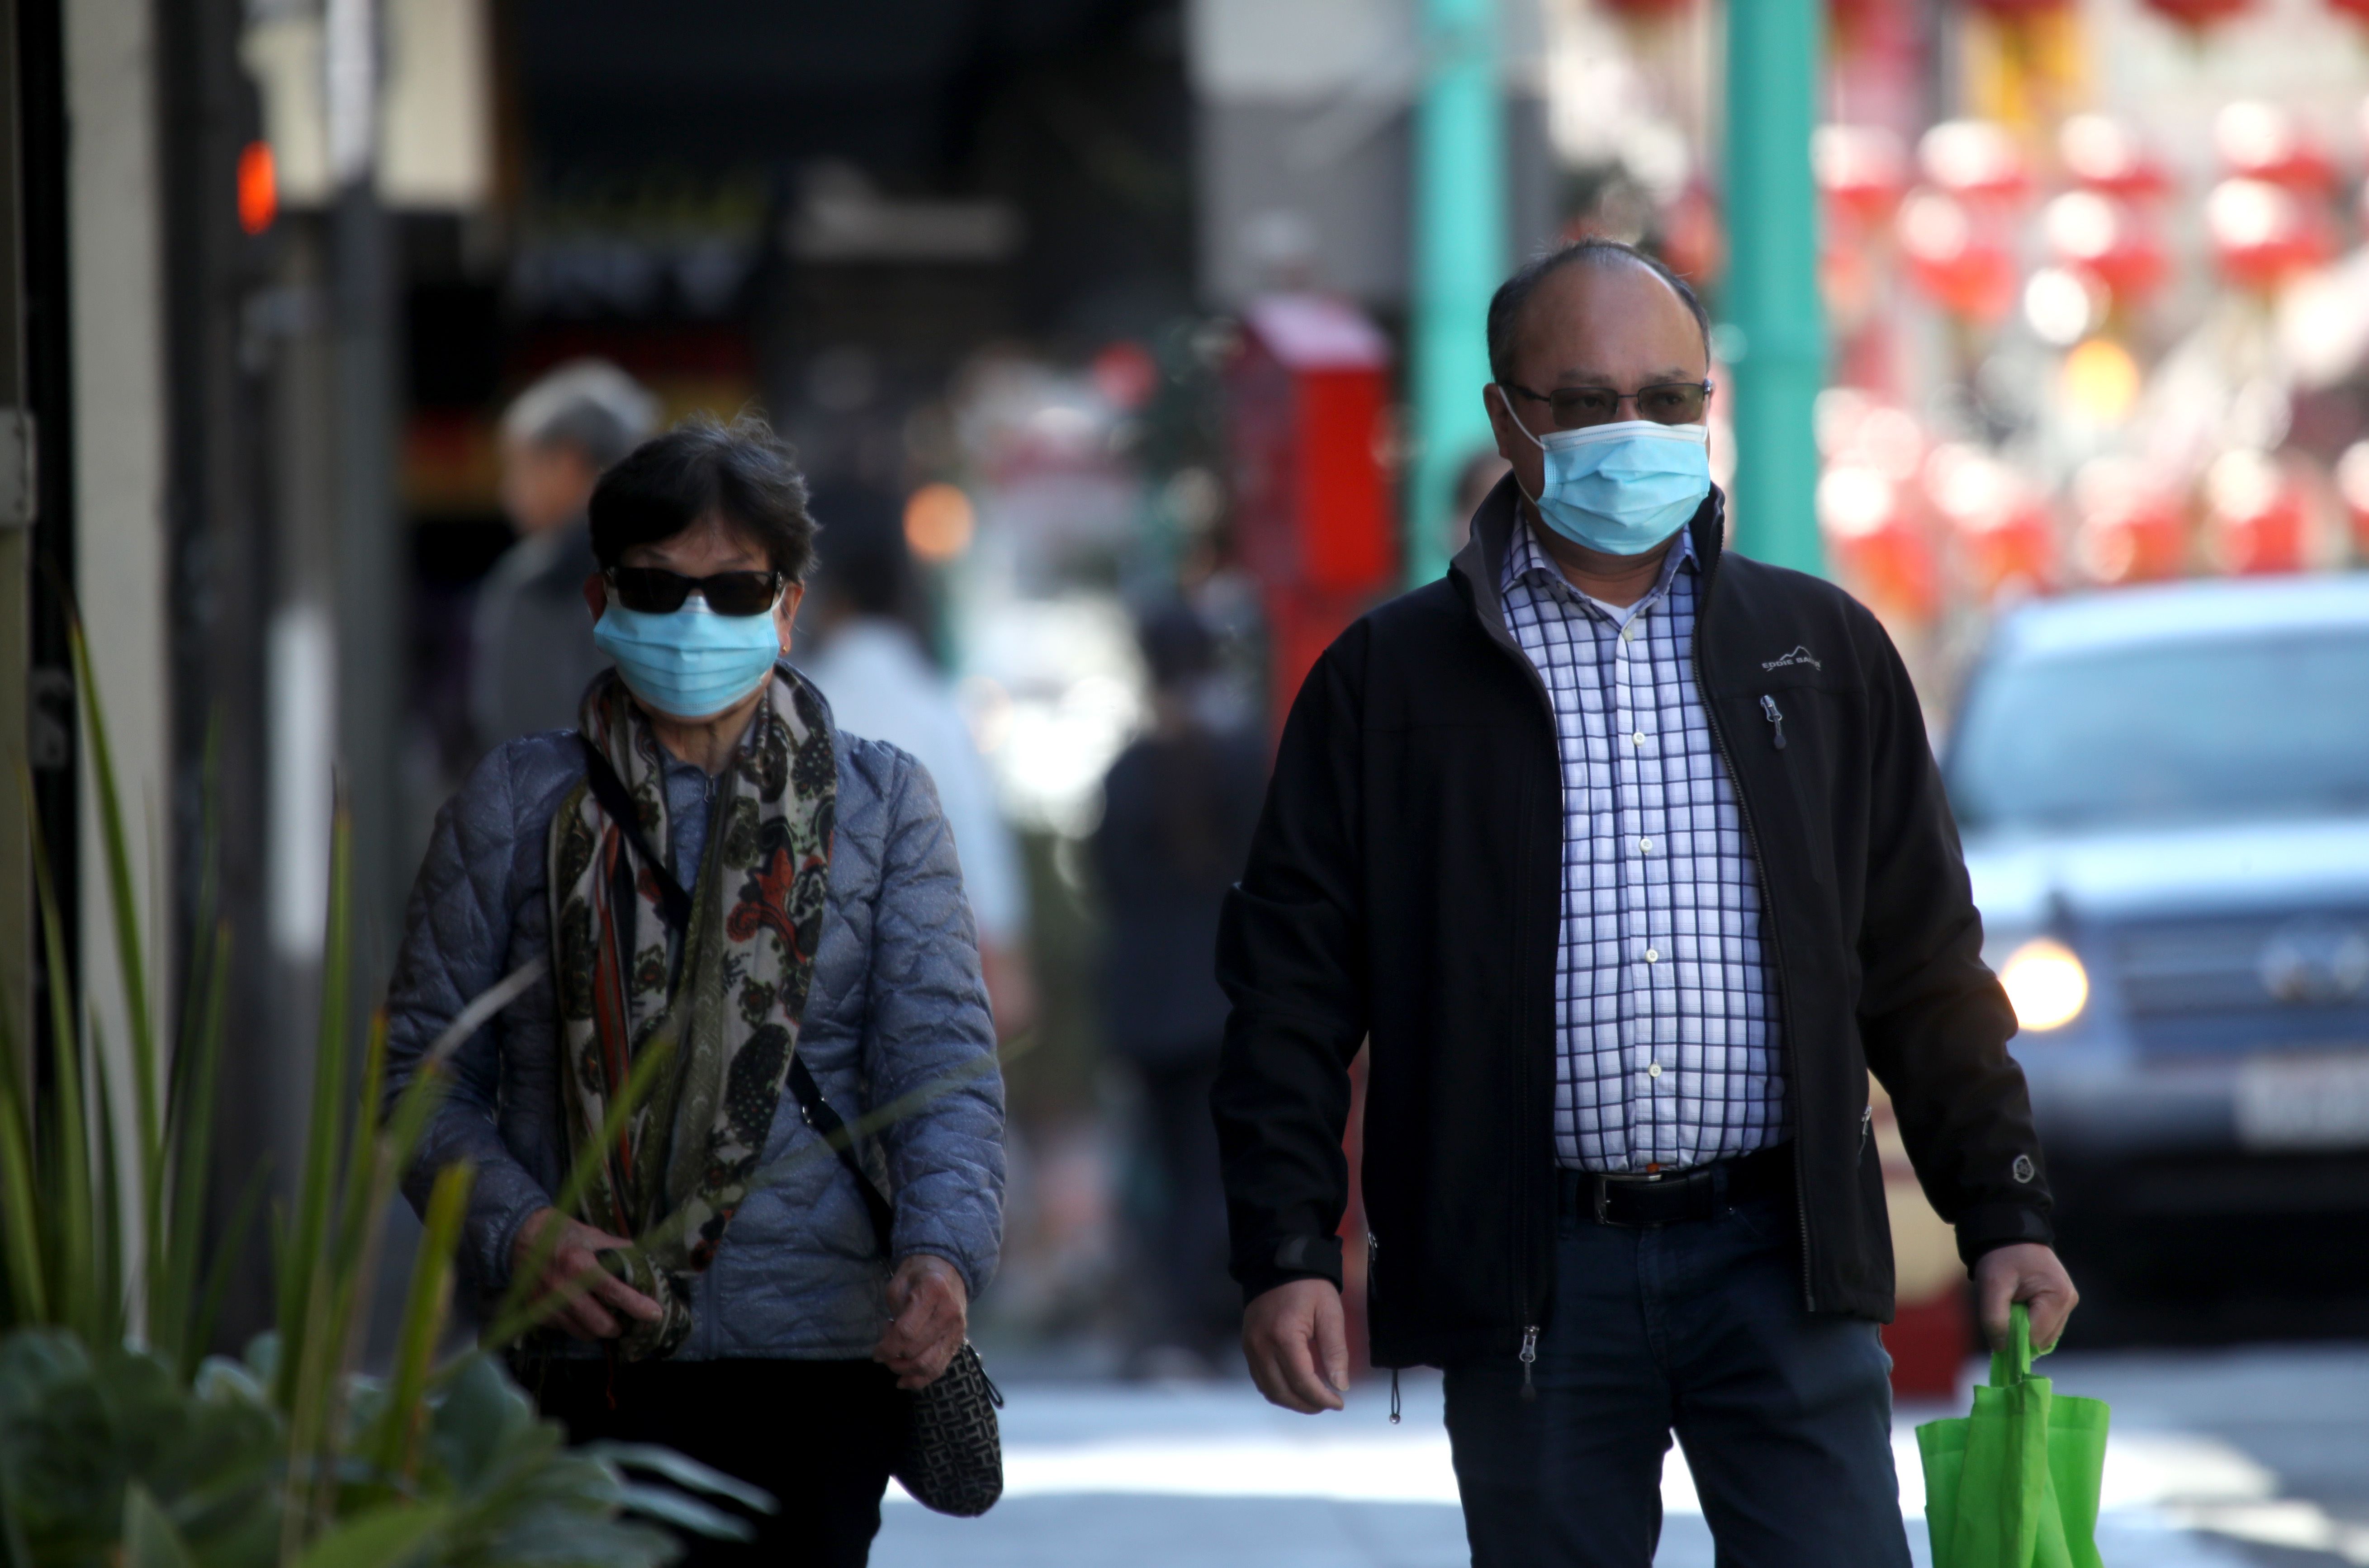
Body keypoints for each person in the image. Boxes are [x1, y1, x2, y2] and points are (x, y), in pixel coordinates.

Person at [1212, 238, 2076, 1567]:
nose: (1639, 431)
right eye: (1591, 399)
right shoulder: (1390, 683)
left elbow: (1924, 966)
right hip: (1531, 1277)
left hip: (1780, 1256)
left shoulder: (1820, 653)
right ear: (1509, 420)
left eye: (1671, 399)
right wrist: (1288, 1246)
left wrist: (2003, 1210)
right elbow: (1290, 991)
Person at [385, 416, 1005, 1567]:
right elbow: (422, 1080)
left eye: (734, 591)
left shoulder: (882, 801)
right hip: (585, 1361)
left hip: (819, 1358)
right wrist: (523, 1229)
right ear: (598, 599)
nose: (694, 621)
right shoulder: (518, 804)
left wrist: (943, 1251)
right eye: (657, 587)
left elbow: (940, 1065)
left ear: (789, 604)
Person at [1093, 604, 1265, 1372]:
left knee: (1159, 1157)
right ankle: (1205, 1318)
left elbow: (1105, 882)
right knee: (1213, 1162)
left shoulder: (1126, 771)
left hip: (1142, 997)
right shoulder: (1240, 759)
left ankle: (1166, 1322)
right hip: (1223, 993)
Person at [797, 484, 1033, 1037]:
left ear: (829, 600)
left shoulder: (802, 701)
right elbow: (974, 833)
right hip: (928, 957)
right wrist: (1009, 961)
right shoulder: (936, 704)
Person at [471, 359, 659, 752]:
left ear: (568, 462)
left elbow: (519, 732)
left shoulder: (536, 583)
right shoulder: (681, 565)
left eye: (519, 468)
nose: (508, 492)